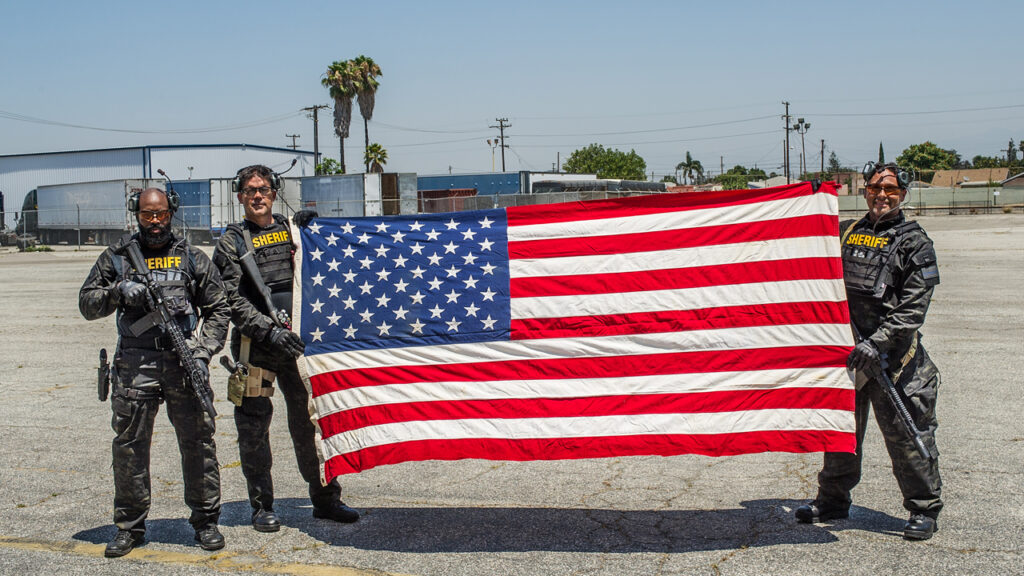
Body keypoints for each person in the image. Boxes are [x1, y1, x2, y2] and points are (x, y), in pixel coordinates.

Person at [79, 187, 231, 557]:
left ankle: (206, 521)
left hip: (184, 364)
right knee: (130, 447)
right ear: (137, 215)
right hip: (135, 364)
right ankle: (130, 526)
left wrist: (203, 351)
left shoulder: (193, 258)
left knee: (199, 444)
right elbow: (87, 304)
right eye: (148, 215)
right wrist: (118, 291)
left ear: (171, 213)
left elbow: (218, 310)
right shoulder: (116, 258)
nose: (155, 222)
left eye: (161, 214)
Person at [795, 162, 943, 540]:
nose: (882, 195)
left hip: (896, 362)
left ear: (903, 194)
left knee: (909, 439)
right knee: (841, 434)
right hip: (850, 360)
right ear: (865, 192)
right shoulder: (847, 234)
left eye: (890, 189)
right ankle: (832, 501)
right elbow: (813, 261)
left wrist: (877, 343)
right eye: (875, 188)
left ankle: (923, 510)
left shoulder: (915, 243)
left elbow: (913, 309)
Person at [212, 164, 359, 532]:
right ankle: (262, 507)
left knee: (310, 424)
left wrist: (314, 231)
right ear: (240, 197)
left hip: (296, 346)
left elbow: (321, 271)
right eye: (249, 191)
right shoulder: (231, 242)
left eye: (263, 189)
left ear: (274, 193)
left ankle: (326, 499)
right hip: (254, 349)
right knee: (254, 429)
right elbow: (231, 299)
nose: (257, 196)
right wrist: (268, 331)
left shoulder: (292, 231)